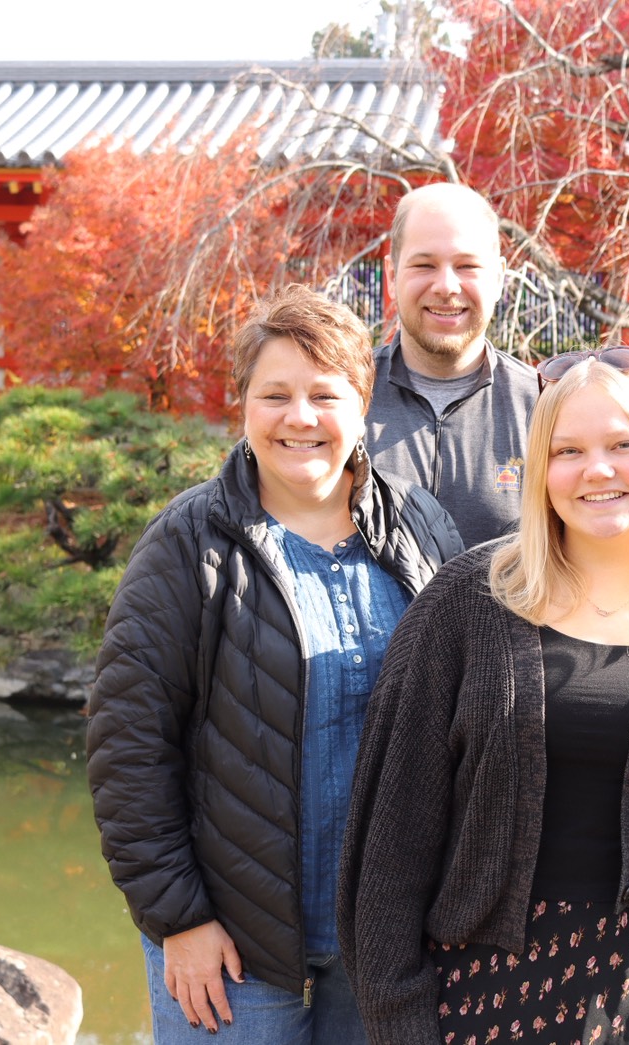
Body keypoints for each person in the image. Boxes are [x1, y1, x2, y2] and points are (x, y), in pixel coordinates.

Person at [339, 351, 629, 1045]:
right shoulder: (464, 605)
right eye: (568, 450)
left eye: (622, 445)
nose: (597, 469)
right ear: (538, 470)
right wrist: (399, 1017)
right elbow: (390, 834)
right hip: (474, 1003)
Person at [87, 285, 463, 1042]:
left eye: (324, 394)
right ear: (244, 406)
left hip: (386, 939)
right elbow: (127, 745)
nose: (300, 417)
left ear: (363, 404)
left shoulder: (422, 528)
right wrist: (178, 917)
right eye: (275, 394)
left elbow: (468, 724)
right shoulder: (188, 542)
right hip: (232, 946)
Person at [366, 182, 539, 547]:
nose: (446, 286)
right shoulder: (343, 398)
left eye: (467, 265)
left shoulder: (541, 407)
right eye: (424, 265)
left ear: (498, 277)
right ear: (392, 274)